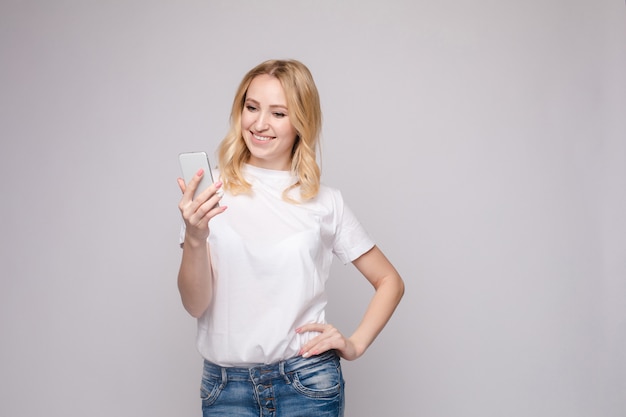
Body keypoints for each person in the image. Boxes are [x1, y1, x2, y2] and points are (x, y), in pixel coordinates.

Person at [177, 59, 404, 417]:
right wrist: (194, 236)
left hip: (307, 384)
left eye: (278, 113)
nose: (260, 123)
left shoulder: (326, 202)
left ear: (301, 121)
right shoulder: (210, 194)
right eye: (251, 108)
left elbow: (390, 280)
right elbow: (195, 305)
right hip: (226, 391)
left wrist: (354, 344)